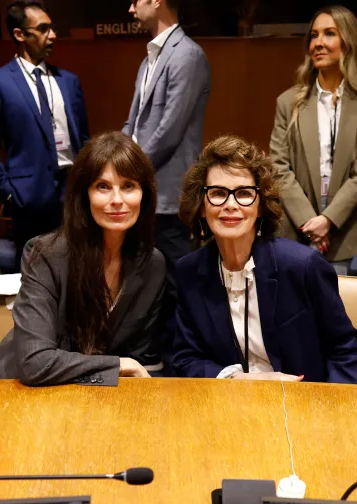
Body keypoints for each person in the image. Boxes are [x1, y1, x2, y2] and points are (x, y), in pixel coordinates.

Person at [0, 132, 166, 386]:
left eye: (128, 186)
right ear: (84, 195)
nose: (117, 200)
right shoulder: (45, 254)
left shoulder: (153, 264)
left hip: (88, 393)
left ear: (145, 194)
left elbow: (141, 358)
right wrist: (118, 365)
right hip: (12, 392)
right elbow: (35, 363)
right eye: (103, 186)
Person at [172, 136, 357, 384]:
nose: (230, 204)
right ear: (201, 206)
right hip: (230, 400)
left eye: (244, 193)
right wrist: (234, 380)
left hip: (307, 399)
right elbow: (186, 357)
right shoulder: (189, 271)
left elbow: (344, 352)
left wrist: (323, 405)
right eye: (218, 193)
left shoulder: (303, 266)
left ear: (261, 206)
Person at [123, 0, 211, 371]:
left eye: (136, 1)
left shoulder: (187, 54)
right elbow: (133, 126)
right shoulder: (149, 58)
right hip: (145, 193)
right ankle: (155, 360)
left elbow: (169, 132)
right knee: (147, 282)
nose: (130, 9)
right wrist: (118, 160)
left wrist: (127, 170)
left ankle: (182, 365)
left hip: (171, 197)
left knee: (178, 285)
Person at [269, 5, 357, 275]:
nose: (318, 43)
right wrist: (309, 221)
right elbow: (278, 167)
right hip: (295, 222)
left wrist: (328, 220)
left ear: (348, 42)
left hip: (342, 227)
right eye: (314, 35)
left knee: (330, 298)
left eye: (329, 34)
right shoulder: (288, 101)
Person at [0, 0, 90, 268]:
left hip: (72, 192)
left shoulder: (68, 81)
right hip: (28, 197)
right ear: (20, 34)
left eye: (52, 28)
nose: (52, 35)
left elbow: (84, 138)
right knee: (36, 272)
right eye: (42, 29)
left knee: (79, 266)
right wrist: (8, 193)